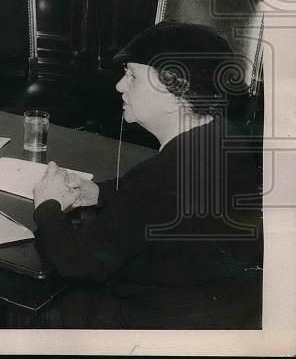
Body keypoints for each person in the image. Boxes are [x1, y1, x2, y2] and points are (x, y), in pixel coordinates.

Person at [31, 22, 263, 328]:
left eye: (132, 76)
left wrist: (47, 205)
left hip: (154, 326)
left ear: (175, 95)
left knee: (45, 304)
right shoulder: (224, 136)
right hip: (226, 313)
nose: (119, 86)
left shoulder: (160, 178)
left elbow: (74, 262)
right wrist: (100, 192)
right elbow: (164, 203)